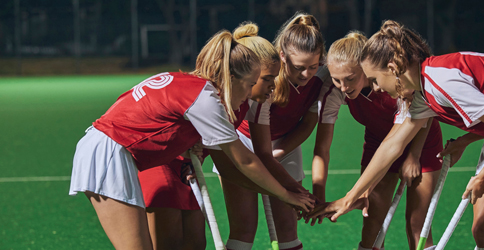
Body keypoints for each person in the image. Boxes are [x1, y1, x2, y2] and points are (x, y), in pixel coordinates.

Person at [308, 20, 484, 250]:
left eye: (375, 79)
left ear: (392, 68)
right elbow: (392, 145)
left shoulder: (440, 81)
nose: (376, 88)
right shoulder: (422, 93)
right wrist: (350, 197)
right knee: (481, 229)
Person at [69, 29, 314, 250]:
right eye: (250, 84)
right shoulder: (206, 99)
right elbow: (244, 162)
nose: (250, 93)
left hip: (111, 150)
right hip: (109, 153)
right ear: (231, 79)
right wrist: (285, 195)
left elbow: (228, 164)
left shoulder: (191, 84)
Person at [309, 31, 443, 250]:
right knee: (372, 222)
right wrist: (319, 195)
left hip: (422, 142)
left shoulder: (395, 84)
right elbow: (322, 148)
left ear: (365, 68)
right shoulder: (334, 91)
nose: (343, 87)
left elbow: (422, 116)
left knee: (416, 224)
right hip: (378, 145)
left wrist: (413, 156)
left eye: (350, 79)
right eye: (336, 79)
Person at [217, 13, 327, 250]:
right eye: (299, 68)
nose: (307, 74)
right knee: (245, 228)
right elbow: (260, 153)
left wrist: (281, 156)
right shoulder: (264, 84)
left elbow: (307, 124)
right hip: (243, 144)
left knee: (287, 227)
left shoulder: (323, 76)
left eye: (313, 67)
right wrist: (297, 191)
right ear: (282, 57)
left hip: (284, 144)